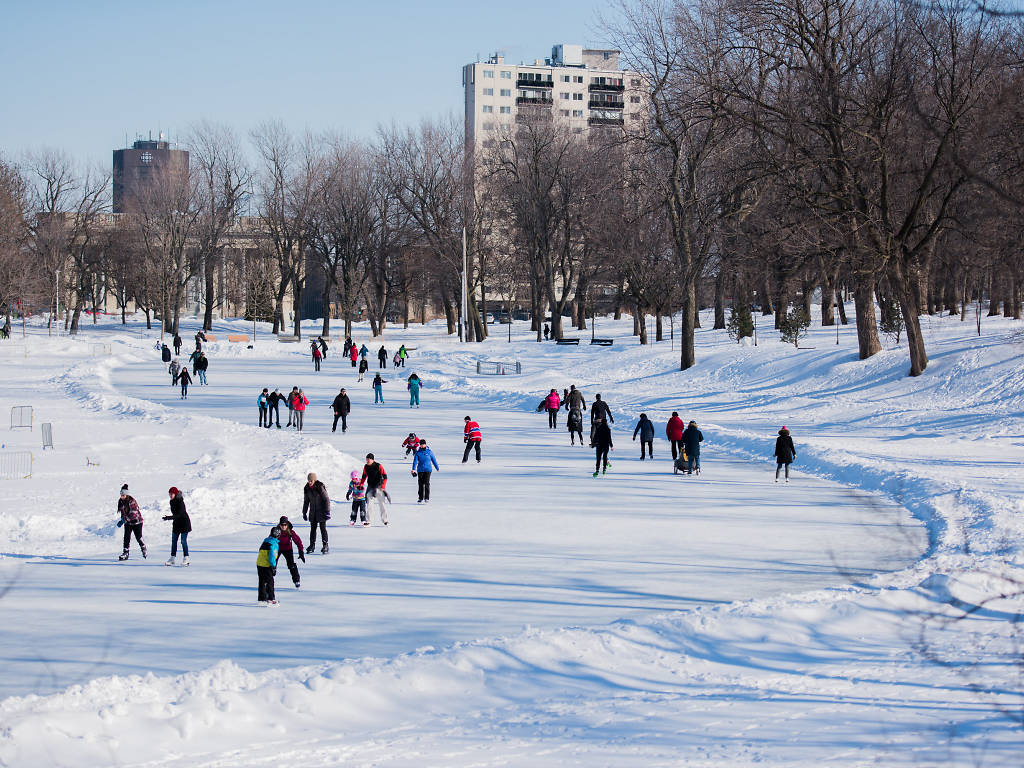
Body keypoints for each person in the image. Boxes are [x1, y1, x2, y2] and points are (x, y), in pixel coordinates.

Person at [301, 472, 331, 554]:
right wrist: (304, 512)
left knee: (322, 528)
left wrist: (327, 511)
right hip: (313, 512)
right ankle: (312, 545)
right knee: (313, 529)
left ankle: (325, 545)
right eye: (308, 480)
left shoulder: (320, 486)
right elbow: (306, 502)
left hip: (321, 511)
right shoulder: (306, 488)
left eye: (311, 480)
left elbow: (326, 499)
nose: (309, 482)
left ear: (314, 480)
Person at [162, 486, 191, 566]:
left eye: (172, 494)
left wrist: (169, 518)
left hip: (184, 523)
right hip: (176, 524)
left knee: (183, 541)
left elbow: (179, 514)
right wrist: (170, 518)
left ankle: (186, 558)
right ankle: (172, 558)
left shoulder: (180, 501)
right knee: (174, 541)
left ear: (175, 494)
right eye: (169, 494)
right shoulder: (171, 502)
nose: (170, 496)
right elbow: (176, 515)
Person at [116, 483, 146, 561]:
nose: (122, 497)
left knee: (138, 537)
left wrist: (123, 520)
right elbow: (123, 512)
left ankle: (143, 547)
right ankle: (125, 552)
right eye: (121, 495)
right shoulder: (121, 501)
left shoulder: (132, 501)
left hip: (137, 522)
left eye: (123, 495)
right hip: (128, 522)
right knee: (126, 537)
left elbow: (133, 514)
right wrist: (122, 519)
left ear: (127, 495)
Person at [360, 454, 389, 526]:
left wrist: (383, 487)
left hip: (379, 487)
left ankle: (385, 520)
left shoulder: (378, 466)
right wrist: (361, 484)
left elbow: (385, 476)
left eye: (369, 459)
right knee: (369, 504)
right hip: (370, 487)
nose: (367, 461)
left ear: (372, 460)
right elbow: (364, 476)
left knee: (382, 504)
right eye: (367, 459)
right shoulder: (366, 467)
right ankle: (369, 521)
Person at [276, 516, 305, 588]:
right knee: (272, 565)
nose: (283, 526)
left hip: (287, 549)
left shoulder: (290, 532)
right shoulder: (276, 531)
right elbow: (270, 540)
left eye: (285, 525)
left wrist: (301, 551)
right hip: (277, 549)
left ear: (287, 525)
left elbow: (298, 541)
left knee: (291, 565)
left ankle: (296, 580)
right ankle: (268, 581)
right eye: (282, 525)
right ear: (280, 524)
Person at [256, 526, 281, 605]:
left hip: (259, 564)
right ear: (278, 535)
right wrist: (273, 566)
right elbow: (272, 556)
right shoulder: (274, 543)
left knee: (262, 581)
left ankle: (262, 599)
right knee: (270, 582)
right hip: (267, 565)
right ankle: (271, 598)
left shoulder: (265, 541)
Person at [411, 438, 439, 503]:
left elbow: (434, 460)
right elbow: (415, 461)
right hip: (420, 470)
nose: (422, 446)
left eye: (423, 444)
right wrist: (413, 469)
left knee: (426, 483)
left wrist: (437, 468)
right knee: (420, 484)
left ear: (425, 444)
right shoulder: (418, 453)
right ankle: (420, 498)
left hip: (428, 470)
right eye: (421, 444)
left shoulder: (429, 452)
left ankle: (427, 498)